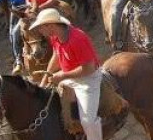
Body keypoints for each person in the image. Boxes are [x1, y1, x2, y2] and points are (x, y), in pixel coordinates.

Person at [32, 8, 103, 140]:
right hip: (69, 75)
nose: (39, 31)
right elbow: (56, 55)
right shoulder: (56, 37)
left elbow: (89, 69)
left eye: (41, 27)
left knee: (88, 121)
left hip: (87, 80)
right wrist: (46, 77)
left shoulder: (77, 38)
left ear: (50, 26)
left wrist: (62, 76)